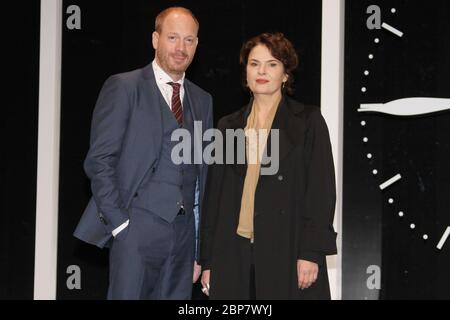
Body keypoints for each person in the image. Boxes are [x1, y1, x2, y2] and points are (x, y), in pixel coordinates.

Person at [74, 7, 213, 300]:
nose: (181, 48)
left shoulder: (203, 100)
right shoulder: (124, 87)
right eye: (173, 37)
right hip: (135, 229)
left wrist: (200, 248)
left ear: (197, 45)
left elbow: (202, 178)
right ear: (155, 39)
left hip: (184, 238)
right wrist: (121, 225)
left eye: (189, 40)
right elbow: (99, 161)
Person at [199, 32, 337, 299]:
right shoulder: (227, 126)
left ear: (285, 74)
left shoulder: (308, 121)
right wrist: (208, 261)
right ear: (246, 73)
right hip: (233, 253)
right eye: (254, 64)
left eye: (272, 64)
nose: (262, 71)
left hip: (287, 248)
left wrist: (311, 253)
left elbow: (321, 192)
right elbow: (214, 199)